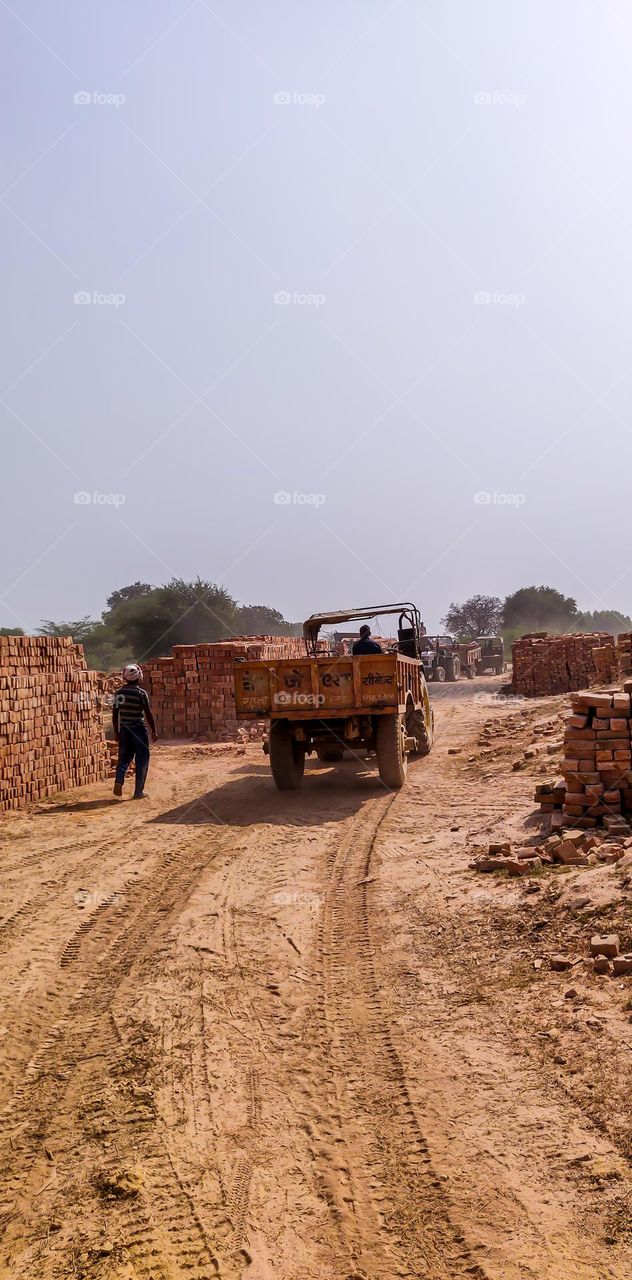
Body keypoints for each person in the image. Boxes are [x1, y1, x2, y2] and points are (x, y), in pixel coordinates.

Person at [112, 663, 157, 799]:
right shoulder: (141, 693)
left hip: (125, 729)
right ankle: (138, 792)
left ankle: (119, 780)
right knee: (142, 759)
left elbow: (115, 714)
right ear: (139, 678)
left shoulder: (119, 693)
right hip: (138, 729)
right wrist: (154, 730)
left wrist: (116, 731)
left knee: (124, 757)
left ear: (125, 678)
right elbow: (148, 713)